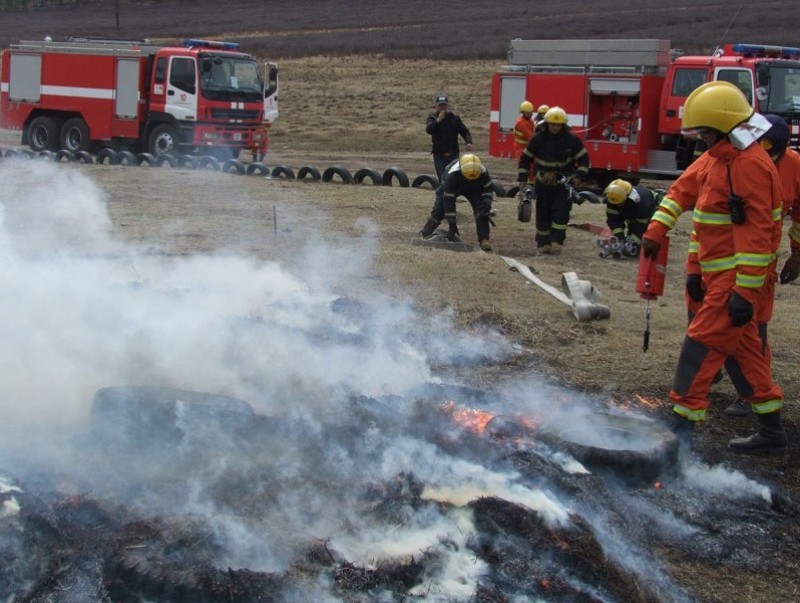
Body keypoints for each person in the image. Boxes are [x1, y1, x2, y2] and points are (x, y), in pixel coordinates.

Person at [641, 81, 787, 454]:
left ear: (725, 128)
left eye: (705, 131)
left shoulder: (751, 166)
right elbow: (684, 199)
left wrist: (744, 292)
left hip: (737, 279)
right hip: (715, 275)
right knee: (744, 354)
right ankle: (772, 431)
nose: (701, 139)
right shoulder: (715, 159)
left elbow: (759, 240)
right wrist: (659, 233)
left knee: (701, 344)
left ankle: (680, 424)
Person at [706, 114, 800, 416]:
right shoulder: (731, 159)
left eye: (775, 155)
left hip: (760, 267)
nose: (768, 161)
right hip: (722, 262)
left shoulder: (795, 166)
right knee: (713, 322)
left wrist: (796, 253)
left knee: (755, 329)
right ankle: (711, 371)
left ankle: (750, 393)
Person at [516, 106, 590, 254]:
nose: (555, 127)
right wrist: (523, 179)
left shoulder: (572, 140)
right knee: (543, 212)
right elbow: (525, 159)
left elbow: (584, 160)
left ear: (563, 125)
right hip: (543, 183)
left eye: (558, 125)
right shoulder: (538, 139)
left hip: (563, 184)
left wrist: (579, 176)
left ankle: (557, 241)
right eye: (552, 124)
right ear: (547, 123)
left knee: (561, 212)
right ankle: (543, 243)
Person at [418, 153, 495, 251]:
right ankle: (427, 232)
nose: (469, 180)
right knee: (439, 209)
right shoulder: (452, 176)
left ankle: (484, 239)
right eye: (467, 178)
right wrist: (452, 224)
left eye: (472, 178)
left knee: (481, 210)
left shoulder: (483, 172)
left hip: (475, 190)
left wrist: (487, 202)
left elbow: (488, 188)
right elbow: (448, 201)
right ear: (461, 171)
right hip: (454, 187)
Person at [602, 179, 659, 257]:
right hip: (634, 212)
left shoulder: (643, 204)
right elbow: (613, 220)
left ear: (628, 197)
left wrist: (633, 242)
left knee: (650, 232)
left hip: (653, 208)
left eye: (620, 203)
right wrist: (620, 237)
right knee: (630, 235)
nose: (617, 205)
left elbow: (641, 226)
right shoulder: (613, 199)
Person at [425, 95, 474, 183]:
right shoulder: (432, 118)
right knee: (442, 177)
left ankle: (452, 195)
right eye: (440, 105)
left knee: (453, 176)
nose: (442, 107)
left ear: (447, 106)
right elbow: (429, 130)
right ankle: (442, 195)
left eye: (444, 105)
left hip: (453, 153)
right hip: (439, 154)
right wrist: (438, 121)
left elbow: (465, 131)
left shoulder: (455, 118)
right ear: (436, 106)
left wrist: (468, 142)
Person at [514, 101, 536, 185]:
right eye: (528, 112)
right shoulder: (522, 123)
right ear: (523, 112)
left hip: (527, 148)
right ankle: (526, 188)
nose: (530, 114)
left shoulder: (529, 121)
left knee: (531, 168)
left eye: (531, 112)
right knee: (527, 169)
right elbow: (531, 137)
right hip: (522, 149)